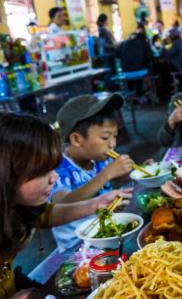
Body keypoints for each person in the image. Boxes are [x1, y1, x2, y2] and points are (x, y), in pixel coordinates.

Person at [0, 113, 127, 298]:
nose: (55, 177)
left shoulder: (17, 205)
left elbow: (44, 215)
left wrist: (96, 204)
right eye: (42, 171)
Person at [50, 94, 134, 251]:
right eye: (105, 137)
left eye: (115, 136)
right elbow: (62, 203)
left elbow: (111, 186)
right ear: (76, 139)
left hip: (108, 233)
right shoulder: (59, 167)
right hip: (77, 247)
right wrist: (106, 175)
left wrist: (130, 173)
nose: (113, 144)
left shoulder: (100, 159)